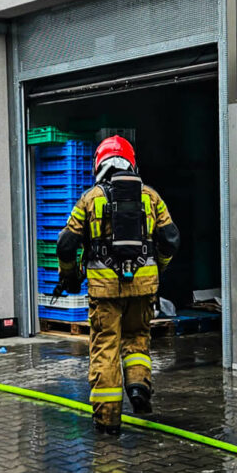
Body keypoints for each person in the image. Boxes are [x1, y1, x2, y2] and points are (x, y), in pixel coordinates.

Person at [55, 136, 180, 434]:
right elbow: (171, 239)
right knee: (137, 339)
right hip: (144, 287)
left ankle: (108, 421)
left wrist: (70, 276)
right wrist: (156, 270)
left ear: (100, 163)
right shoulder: (151, 197)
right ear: (130, 161)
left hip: (104, 293)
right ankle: (138, 389)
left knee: (106, 347)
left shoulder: (90, 198)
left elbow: (65, 244)